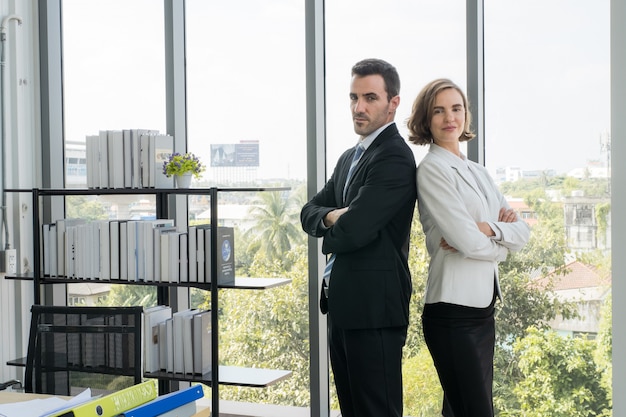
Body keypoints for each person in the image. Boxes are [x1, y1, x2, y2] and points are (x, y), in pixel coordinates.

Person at [407, 78, 530, 417]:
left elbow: (522, 231)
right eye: (439, 110)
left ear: (466, 115)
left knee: (462, 410)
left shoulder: (479, 172)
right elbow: (468, 241)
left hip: (482, 310)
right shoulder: (431, 170)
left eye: (457, 108)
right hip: (452, 313)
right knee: (476, 411)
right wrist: (500, 242)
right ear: (426, 120)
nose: (450, 117)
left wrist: (488, 228)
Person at [300, 58, 417, 417]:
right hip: (343, 305)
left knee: (376, 411)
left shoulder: (394, 157)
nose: (359, 107)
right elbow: (309, 212)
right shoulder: (350, 157)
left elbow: (356, 230)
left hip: (374, 311)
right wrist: (334, 215)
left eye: (370, 98)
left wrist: (333, 223)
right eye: (353, 98)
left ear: (392, 103)